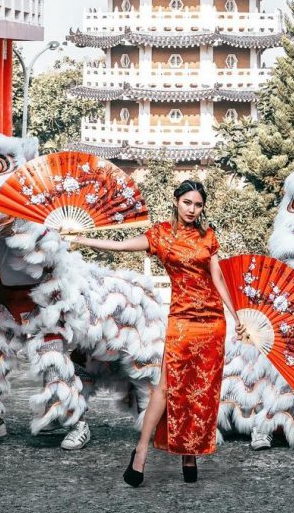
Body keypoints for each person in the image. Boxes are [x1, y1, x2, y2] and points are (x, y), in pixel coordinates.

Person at [64, 179, 245, 486]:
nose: (192, 209)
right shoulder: (160, 235)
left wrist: (234, 312)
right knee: (166, 387)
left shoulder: (207, 235)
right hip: (182, 320)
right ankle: (141, 452)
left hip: (212, 321)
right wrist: (82, 240)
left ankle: (190, 454)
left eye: (198, 204)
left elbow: (216, 275)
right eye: (187, 202)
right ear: (177, 201)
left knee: (202, 389)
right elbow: (121, 245)